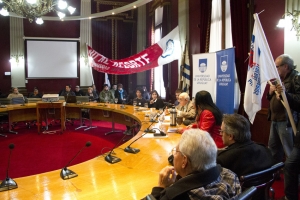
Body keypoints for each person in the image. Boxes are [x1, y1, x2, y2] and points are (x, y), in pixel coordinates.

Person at [147, 129, 241, 199]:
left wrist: (160, 188)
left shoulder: (175, 195)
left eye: (176, 151)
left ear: (184, 161)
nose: (174, 155)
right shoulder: (231, 176)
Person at [267, 54, 300, 164]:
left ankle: (294, 179)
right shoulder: (279, 79)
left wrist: (285, 94)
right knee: (273, 150)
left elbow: (298, 100)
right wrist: (270, 93)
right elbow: (272, 98)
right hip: (275, 119)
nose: (275, 69)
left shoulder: (296, 78)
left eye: (277, 67)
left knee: (289, 152)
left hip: (287, 122)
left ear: (286, 66)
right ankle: (274, 174)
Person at [275, 84, 300, 200]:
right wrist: (285, 95)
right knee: (290, 165)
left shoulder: (295, 79)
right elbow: (297, 103)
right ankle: (290, 197)